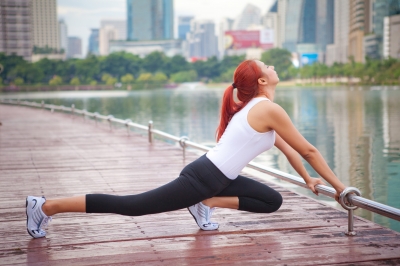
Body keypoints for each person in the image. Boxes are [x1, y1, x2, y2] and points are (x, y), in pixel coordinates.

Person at [26, 60, 346, 238]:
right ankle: (45, 207)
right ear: (262, 81)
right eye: (266, 64)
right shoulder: (265, 109)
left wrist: (307, 180)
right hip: (203, 176)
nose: (272, 65)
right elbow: (310, 151)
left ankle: (204, 203)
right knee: (131, 206)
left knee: (271, 200)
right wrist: (340, 188)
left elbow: (292, 151)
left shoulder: (261, 109)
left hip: (218, 179)